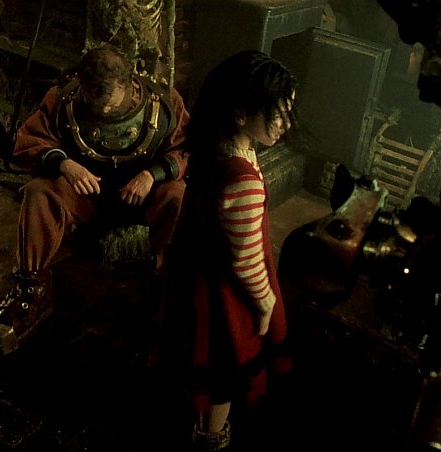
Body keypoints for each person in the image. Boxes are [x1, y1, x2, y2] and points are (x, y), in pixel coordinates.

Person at [0, 43, 190, 359]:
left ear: (130, 84)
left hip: (142, 200)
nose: (102, 111)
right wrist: (65, 164)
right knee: (39, 191)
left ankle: (169, 287)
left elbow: (187, 148)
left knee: (176, 195)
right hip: (86, 198)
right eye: (94, 102)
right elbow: (28, 141)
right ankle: (30, 289)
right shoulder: (63, 99)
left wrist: (153, 174)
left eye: (111, 103)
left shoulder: (164, 102)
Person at [163, 50, 296, 451]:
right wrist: (266, 302)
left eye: (288, 111)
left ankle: (201, 425)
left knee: (204, 361)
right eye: (276, 113)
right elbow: (246, 260)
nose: (286, 124)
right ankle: (211, 437)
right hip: (225, 296)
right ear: (240, 113)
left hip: (196, 276)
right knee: (225, 371)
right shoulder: (242, 180)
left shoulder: (217, 147)